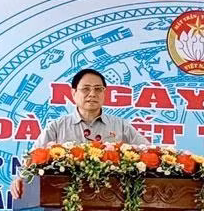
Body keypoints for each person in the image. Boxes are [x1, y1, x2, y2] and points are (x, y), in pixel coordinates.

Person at [10, 68, 148, 198]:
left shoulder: (121, 126)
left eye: (98, 89)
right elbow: (34, 158)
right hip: (65, 198)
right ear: (73, 93)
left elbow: (148, 152)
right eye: (86, 89)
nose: (92, 94)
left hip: (111, 197)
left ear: (104, 93)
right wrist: (21, 179)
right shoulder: (57, 127)